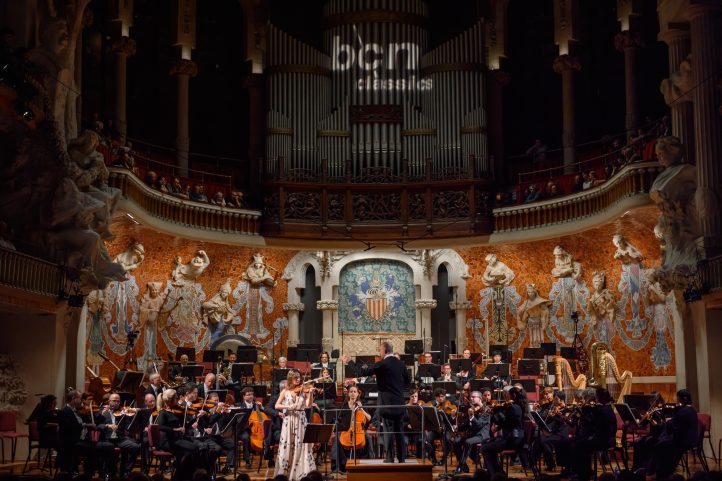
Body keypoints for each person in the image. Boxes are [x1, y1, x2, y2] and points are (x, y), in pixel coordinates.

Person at [342, 341, 410, 463]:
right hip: (400, 403)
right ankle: (401, 458)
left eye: (380, 350)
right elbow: (408, 381)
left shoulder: (382, 364)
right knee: (399, 431)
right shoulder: (401, 364)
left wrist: (349, 362)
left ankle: (389, 458)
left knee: (388, 431)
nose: (379, 352)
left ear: (384, 351)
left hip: (387, 404)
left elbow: (362, 372)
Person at [632, 389, 698, 479]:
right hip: (687, 438)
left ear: (685, 398)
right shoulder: (691, 410)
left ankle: (660, 473)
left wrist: (668, 421)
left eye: (678, 399)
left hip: (684, 441)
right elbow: (676, 426)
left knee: (659, 445)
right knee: (656, 443)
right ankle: (654, 470)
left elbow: (672, 427)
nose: (677, 402)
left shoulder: (683, 412)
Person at [274, 370, 316, 480]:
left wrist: (310, 393)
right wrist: (288, 407)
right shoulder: (285, 391)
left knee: (301, 445)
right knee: (288, 445)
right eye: (296, 377)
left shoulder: (303, 391)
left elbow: (308, 405)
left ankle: (301, 473)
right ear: (290, 378)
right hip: (289, 420)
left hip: (300, 420)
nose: (298, 379)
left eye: (299, 377)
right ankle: (286, 473)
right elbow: (277, 405)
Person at [480, 386, 526, 475]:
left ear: (514, 395)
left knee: (485, 448)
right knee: (487, 443)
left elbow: (505, 422)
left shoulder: (514, 408)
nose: (507, 398)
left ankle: (494, 474)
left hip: (513, 440)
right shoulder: (519, 406)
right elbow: (507, 422)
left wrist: (494, 413)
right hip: (515, 438)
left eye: (508, 395)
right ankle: (499, 473)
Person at [330, 384, 372, 473]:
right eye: (351, 392)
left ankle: (369, 462)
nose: (353, 393)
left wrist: (361, 409)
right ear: (348, 394)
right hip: (345, 429)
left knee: (368, 438)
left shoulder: (361, 405)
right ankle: (338, 466)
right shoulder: (344, 406)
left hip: (358, 430)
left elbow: (369, 418)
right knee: (337, 438)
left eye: (355, 392)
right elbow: (336, 418)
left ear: (358, 394)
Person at [99, 393, 141, 477]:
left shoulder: (122, 412)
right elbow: (97, 425)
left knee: (137, 447)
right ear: (108, 401)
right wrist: (108, 425)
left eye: (118, 401)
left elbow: (127, 426)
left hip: (119, 439)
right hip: (107, 439)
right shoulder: (102, 412)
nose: (117, 403)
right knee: (109, 451)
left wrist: (132, 419)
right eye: (114, 401)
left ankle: (126, 470)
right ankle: (108, 473)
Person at [455, 390, 491, 474]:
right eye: (470, 397)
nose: (471, 398)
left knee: (468, 442)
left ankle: (460, 466)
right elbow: (467, 425)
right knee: (456, 441)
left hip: (482, 435)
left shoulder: (486, 410)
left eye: (473, 397)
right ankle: (465, 467)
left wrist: (471, 417)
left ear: (480, 399)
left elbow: (479, 425)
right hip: (473, 435)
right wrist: (457, 428)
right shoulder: (472, 409)